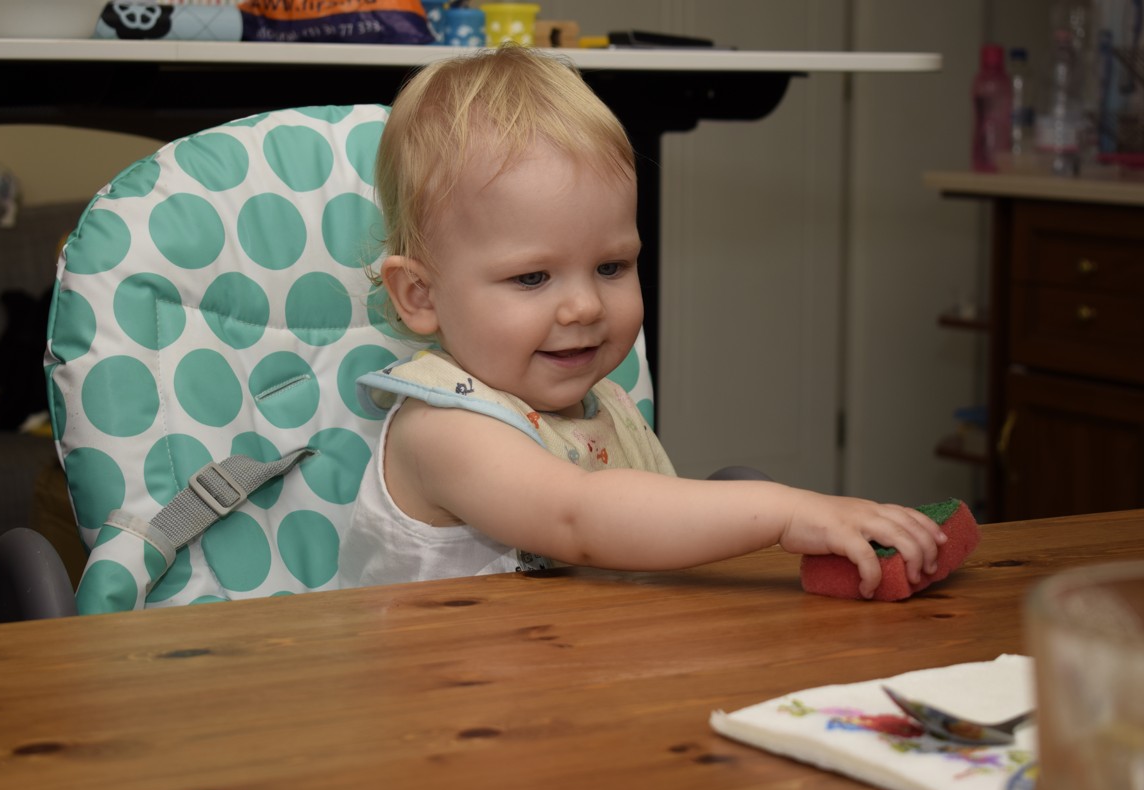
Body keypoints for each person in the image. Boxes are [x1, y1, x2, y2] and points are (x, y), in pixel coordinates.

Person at [348, 46, 944, 597]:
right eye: (532, 278)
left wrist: (737, 507)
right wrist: (783, 513)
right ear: (420, 296)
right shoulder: (441, 428)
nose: (586, 307)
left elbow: (635, 540)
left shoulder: (602, 406)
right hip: (450, 677)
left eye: (611, 266)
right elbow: (579, 517)